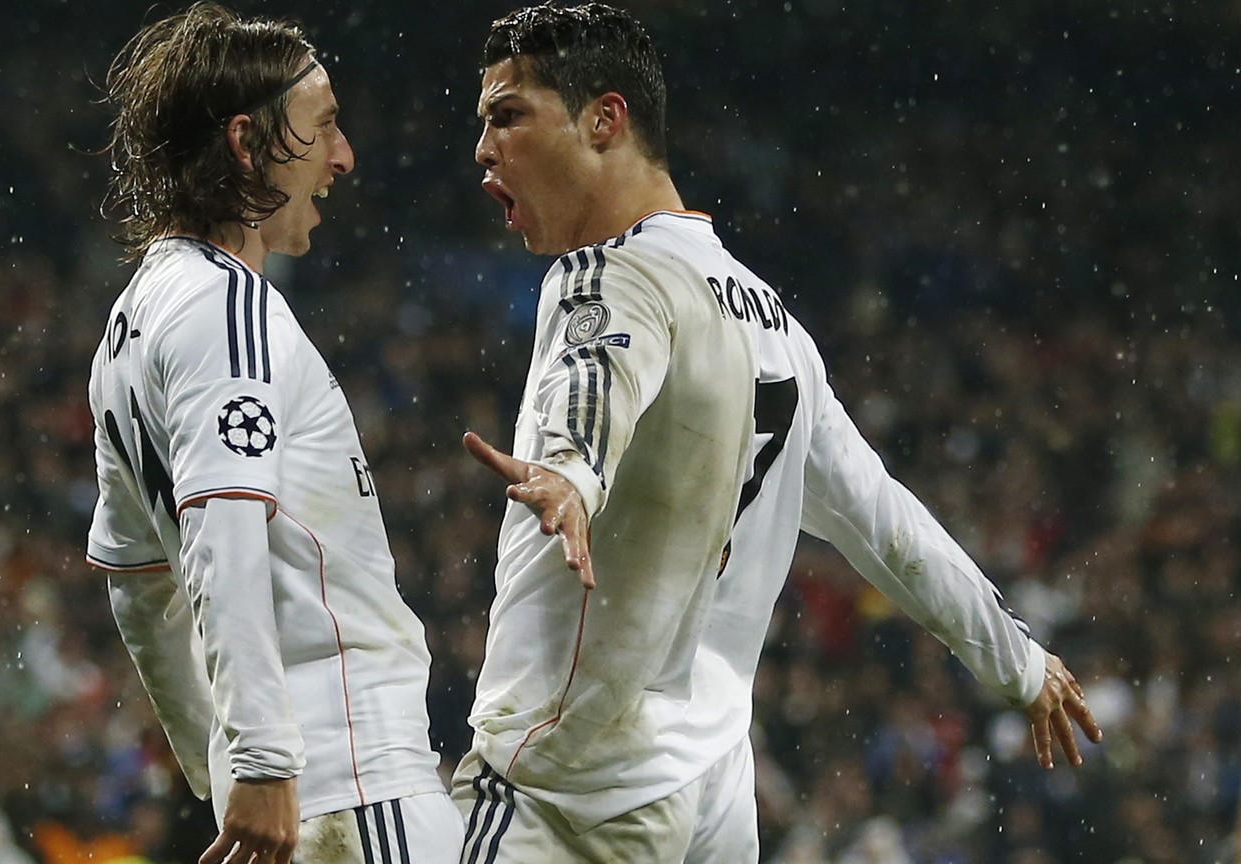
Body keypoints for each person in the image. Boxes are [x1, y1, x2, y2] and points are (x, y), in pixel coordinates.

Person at [456, 5, 1103, 863]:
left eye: (509, 115)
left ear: (604, 121)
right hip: (716, 787)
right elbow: (883, 522)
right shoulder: (777, 327)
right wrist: (1019, 663)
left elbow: (593, 377)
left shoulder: (606, 271)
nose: (483, 148)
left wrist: (573, 471)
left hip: (575, 789)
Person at [87, 5, 459, 863]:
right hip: (356, 787)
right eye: (324, 126)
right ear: (248, 143)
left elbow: (139, 584)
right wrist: (258, 759)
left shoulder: (129, 324)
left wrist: (218, 764)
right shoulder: (231, 310)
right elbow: (223, 531)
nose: (343, 156)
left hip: (295, 795)